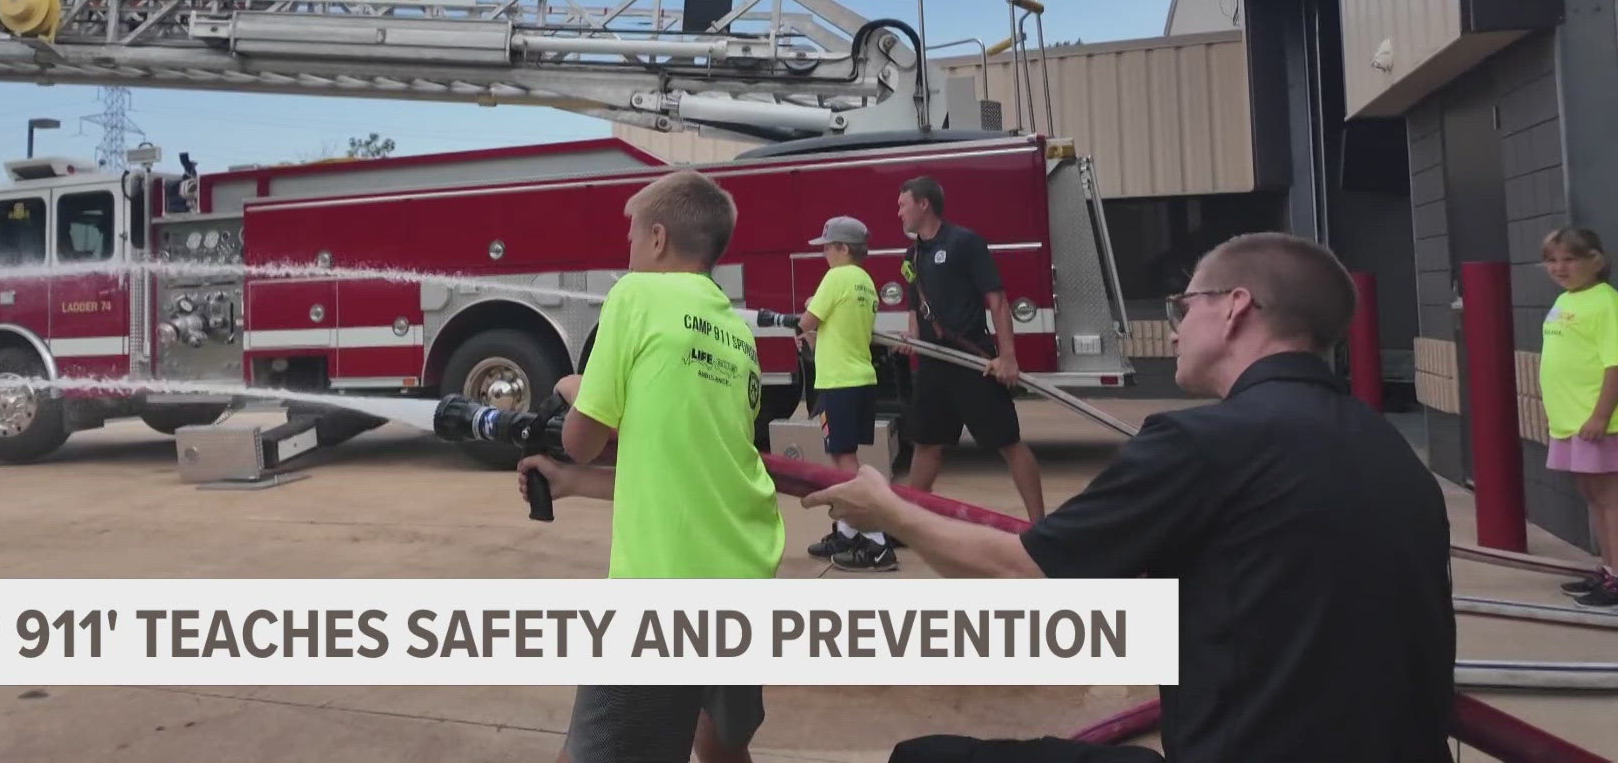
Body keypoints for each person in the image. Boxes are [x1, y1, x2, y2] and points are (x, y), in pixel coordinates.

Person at [805, 232, 1456, 763]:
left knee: (922, 760)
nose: (1173, 329)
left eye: (1184, 305)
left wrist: (890, 510)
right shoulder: (1387, 449)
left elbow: (1022, 575)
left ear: (1234, 306)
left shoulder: (1204, 443)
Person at [519, 169, 785, 763]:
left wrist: (572, 386)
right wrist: (573, 483)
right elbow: (690, 468)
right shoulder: (735, 333)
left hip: (667, 593)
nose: (631, 251)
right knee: (716, 745)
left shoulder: (636, 295)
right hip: (744, 577)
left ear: (659, 239)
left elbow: (584, 438)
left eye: (634, 238)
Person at [896, 175, 1045, 522]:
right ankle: (908, 523)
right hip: (934, 366)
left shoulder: (966, 242)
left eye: (902, 205)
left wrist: (1007, 357)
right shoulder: (913, 252)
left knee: (1008, 443)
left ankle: (1040, 524)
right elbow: (915, 303)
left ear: (923, 204)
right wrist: (912, 336)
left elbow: (998, 302)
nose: (898, 213)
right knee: (926, 444)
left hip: (973, 363)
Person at [796, 215, 898, 571]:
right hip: (861, 380)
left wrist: (807, 315)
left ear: (843, 249)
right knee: (844, 459)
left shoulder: (836, 277)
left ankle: (877, 542)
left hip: (837, 383)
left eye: (827, 247)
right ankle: (847, 533)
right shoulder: (866, 282)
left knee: (845, 465)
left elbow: (806, 323)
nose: (823, 253)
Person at [1537, 226, 1618, 607]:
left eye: (1569, 258)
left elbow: (1613, 365)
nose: (1559, 267)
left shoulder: (1605, 302)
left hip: (1596, 423)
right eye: (1552, 260)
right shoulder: (1567, 300)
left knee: (1608, 499)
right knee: (1592, 496)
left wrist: (1601, 415)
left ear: (1595, 261)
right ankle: (1608, 568)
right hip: (1569, 421)